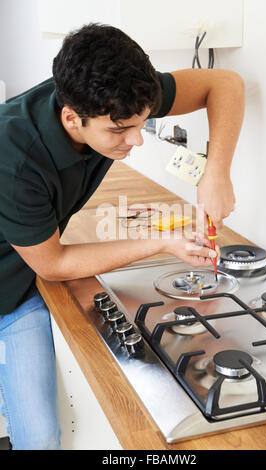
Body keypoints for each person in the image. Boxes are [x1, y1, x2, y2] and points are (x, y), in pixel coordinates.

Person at [0, 23, 244, 449]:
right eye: (118, 131)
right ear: (71, 117)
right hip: (20, 284)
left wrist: (216, 171)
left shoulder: (114, 94)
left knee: (40, 439)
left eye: (141, 124)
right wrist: (162, 242)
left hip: (21, 281)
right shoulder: (14, 159)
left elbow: (223, 83)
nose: (136, 141)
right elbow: (53, 264)